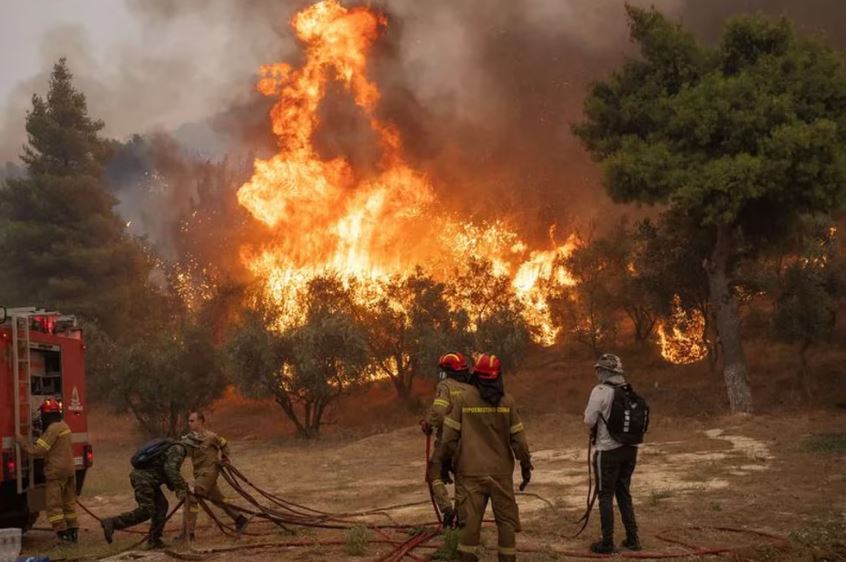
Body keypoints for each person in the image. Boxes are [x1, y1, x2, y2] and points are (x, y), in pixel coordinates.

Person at [433, 354, 533, 562]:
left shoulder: (463, 400)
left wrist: (444, 465)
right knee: (506, 523)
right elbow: (520, 441)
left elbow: (449, 439)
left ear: (475, 375)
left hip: (470, 473)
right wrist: (525, 466)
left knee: (470, 525)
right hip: (501, 474)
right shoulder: (507, 401)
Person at [583, 353, 641, 553]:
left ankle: (607, 542)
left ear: (606, 371)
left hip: (607, 451)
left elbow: (589, 420)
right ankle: (633, 539)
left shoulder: (600, 391)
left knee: (605, 495)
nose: (597, 372)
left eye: (599, 369)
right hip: (630, 450)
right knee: (624, 493)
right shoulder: (628, 390)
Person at [100, 439, 190, 549]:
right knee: (147, 510)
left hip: (149, 480)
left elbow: (165, 472)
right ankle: (113, 522)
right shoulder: (179, 450)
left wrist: (179, 487)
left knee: (162, 506)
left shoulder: (172, 448)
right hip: (144, 480)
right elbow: (170, 470)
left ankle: (154, 540)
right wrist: (183, 487)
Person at [422, 352, 474, 527]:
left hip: (448, 440)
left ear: (447, 371)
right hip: (470, 441)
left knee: (433, 473)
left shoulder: (445, 386)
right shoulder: (472, 387)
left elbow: (438, 411)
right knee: (462, 478)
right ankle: (463, 520)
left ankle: (447, 511)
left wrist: (428, 424)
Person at [16, 399, 78, 543]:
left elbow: (37, 450)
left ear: (47, 415)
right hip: (69, 470)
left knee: (54, 506)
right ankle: (73, 534)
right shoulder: (63, 425)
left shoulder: (52, 429)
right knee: (69, 504)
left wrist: (22, 441)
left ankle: (63, 537)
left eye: (43, 415)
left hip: (56, 472)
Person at [180, 411, 247, 541]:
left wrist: (225, 457)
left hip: (210, 472)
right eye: (189, 421)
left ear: (201, 421)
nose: (190, 423)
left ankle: (189, 533)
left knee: (191, 495)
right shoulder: (189, 439)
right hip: (199, 474)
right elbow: (181, 451)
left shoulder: (211, 436)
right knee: (219, 499)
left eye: (192, 421)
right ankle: (240, 519)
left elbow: (224, 443)